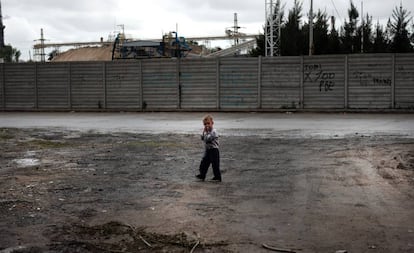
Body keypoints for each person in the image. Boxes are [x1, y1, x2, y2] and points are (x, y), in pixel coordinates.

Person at [196, 114, 222, 182]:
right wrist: (204, 132)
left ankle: (217, 177)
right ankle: (202, 175)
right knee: (204, 163)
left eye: (208, 123)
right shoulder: (206, 132)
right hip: (208, 150)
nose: (207, 125)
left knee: (215, 164)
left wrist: (206, 133)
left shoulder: (214, 131)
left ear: (212, 123)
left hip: (214, 150)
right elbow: (202, 138)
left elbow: (208, 139)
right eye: (205, 124)